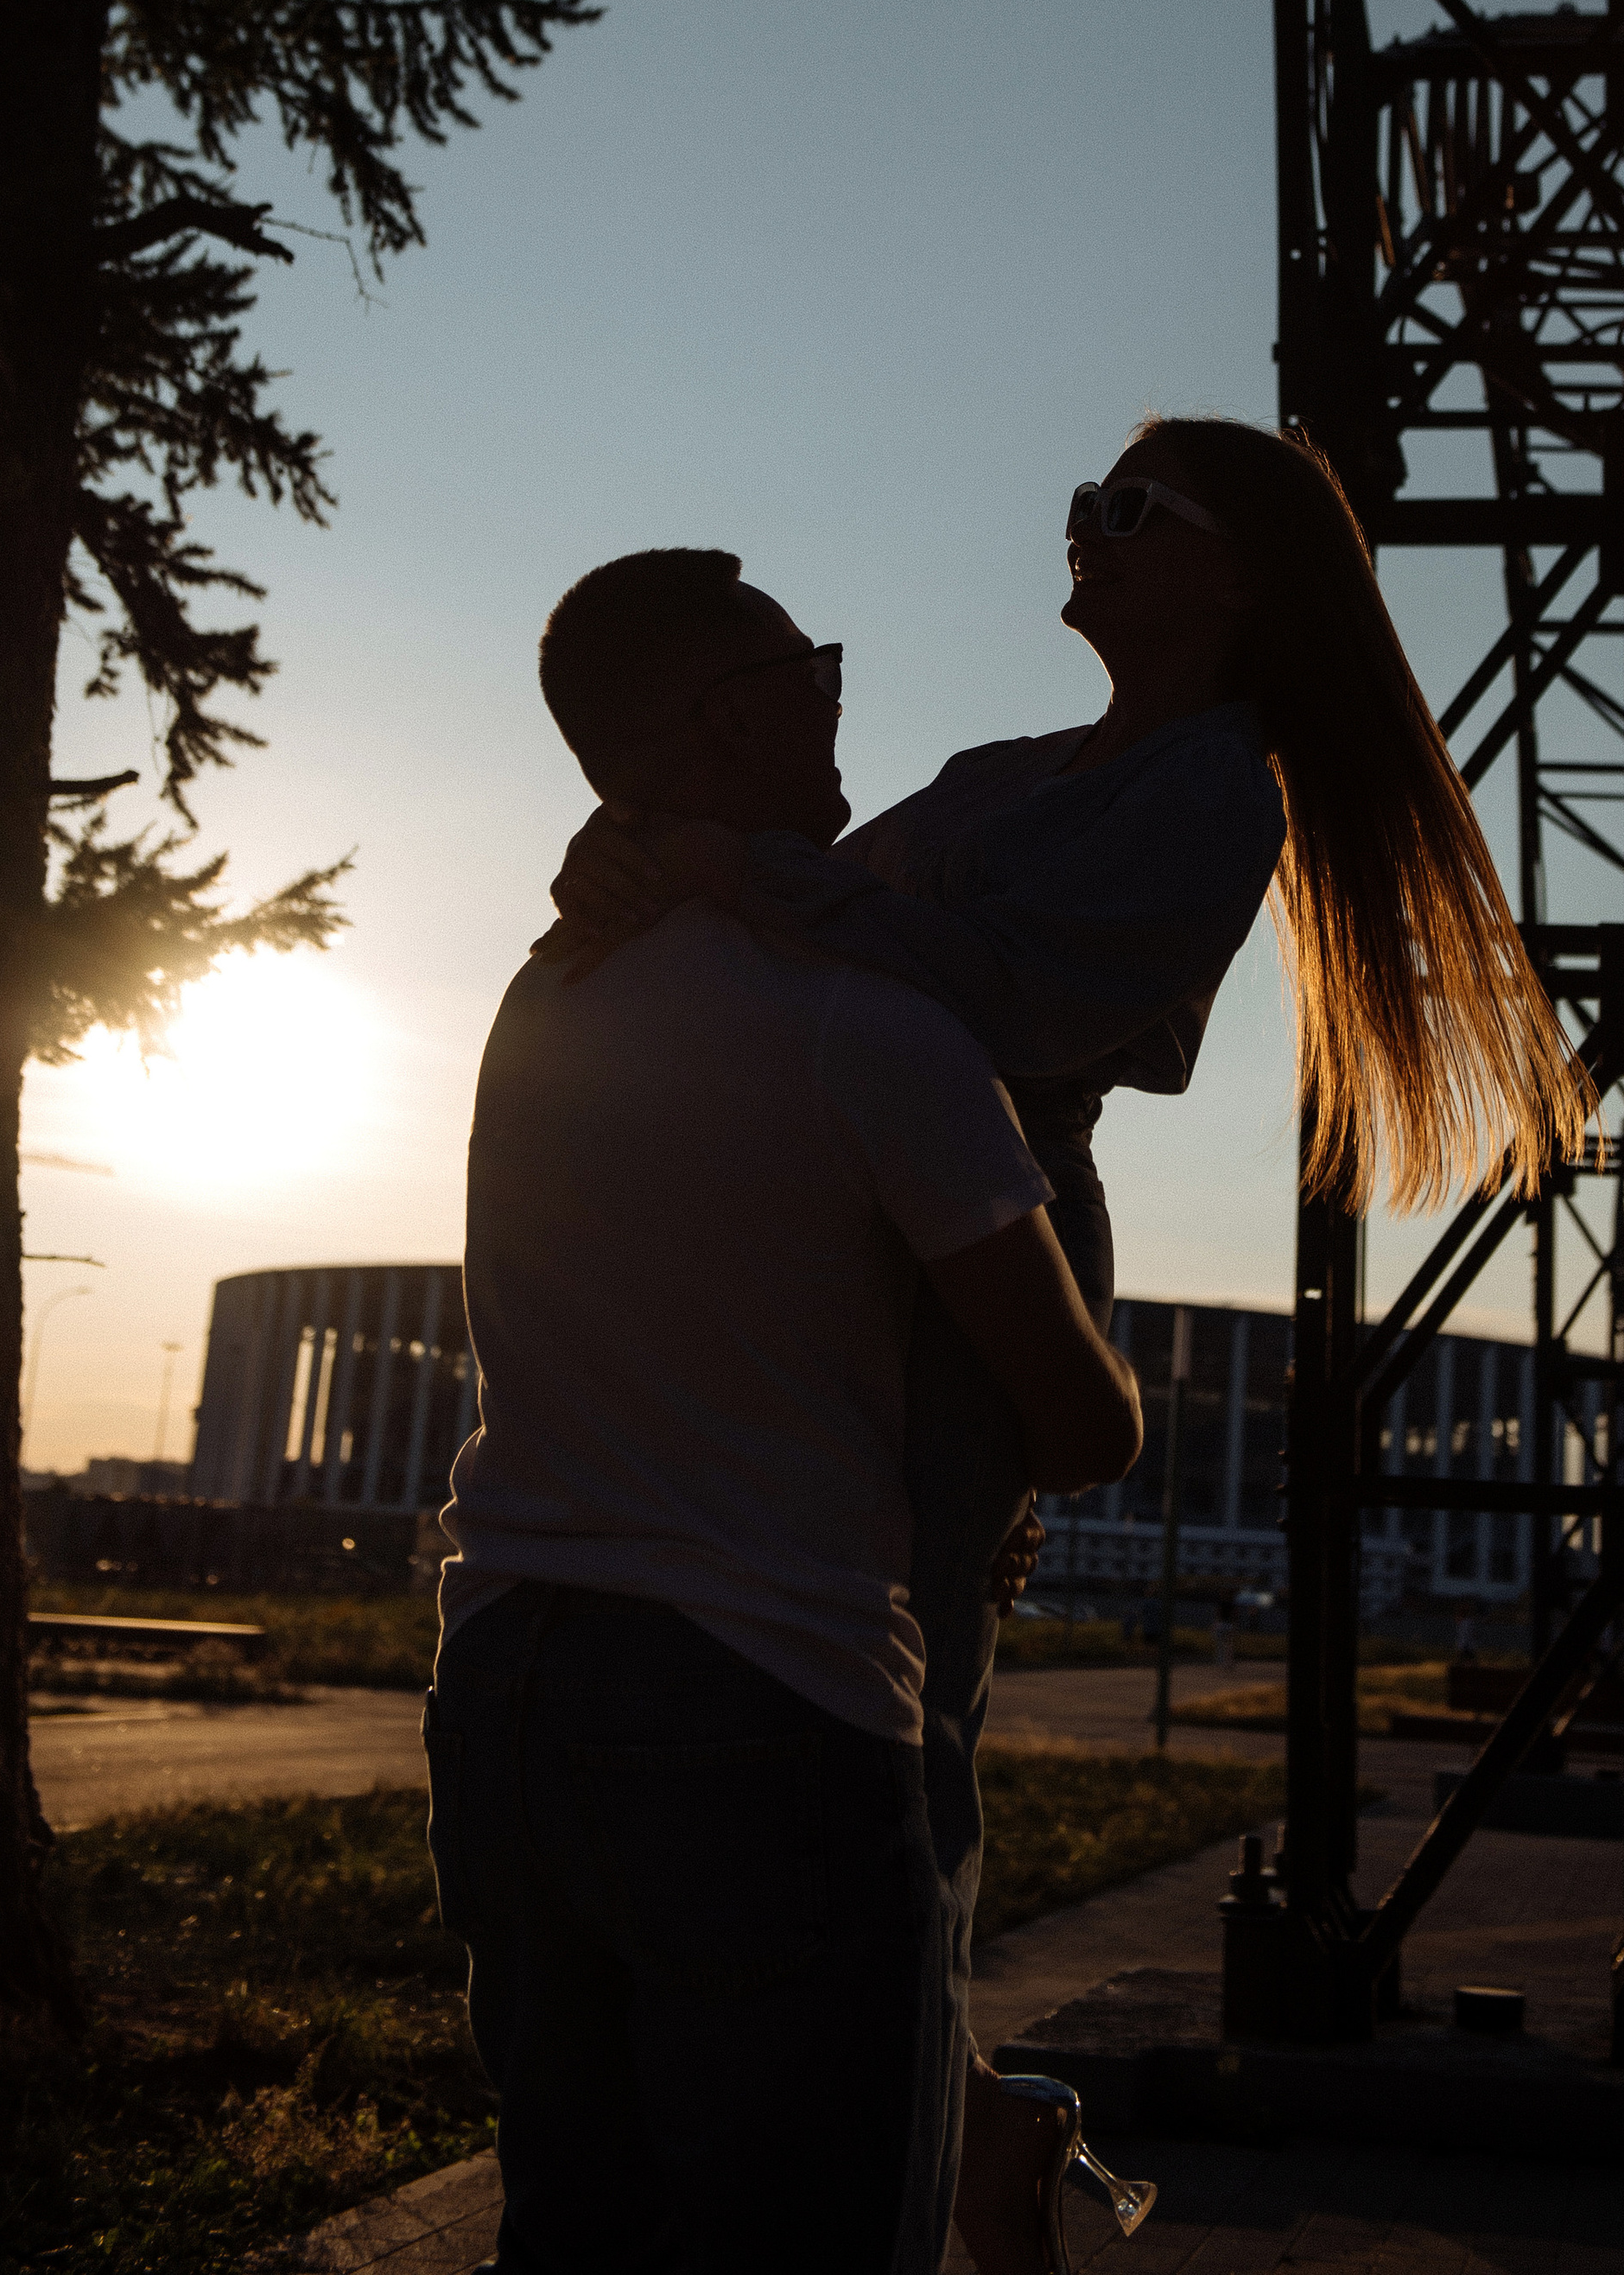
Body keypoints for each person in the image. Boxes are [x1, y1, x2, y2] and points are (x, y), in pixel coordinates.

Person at [547, 417, 1590, 2269]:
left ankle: (928, 2149)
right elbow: (797, 892)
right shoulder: (1007, 769)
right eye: (1082, 500)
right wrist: (635, 856)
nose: (1081, 527)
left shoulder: (1216, 793)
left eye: (1128, 508)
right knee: (844, 1699)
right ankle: (970, 2128)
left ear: (1236, 573)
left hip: (981, 1236)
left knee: (897, 1722)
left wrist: (719, 870)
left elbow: (1014, 1001)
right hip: (859, 1223)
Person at [428, 547, 1143, 2275]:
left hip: (506, 1680)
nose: (837, 707)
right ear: (729, 717)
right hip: (763, 1695)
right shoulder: (870, 1026)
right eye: (813, 674)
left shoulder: (546, 995)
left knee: (573, 2231)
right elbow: (1079, 1424)